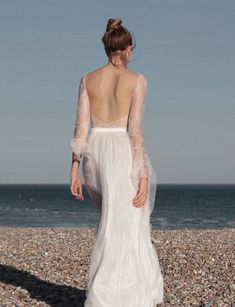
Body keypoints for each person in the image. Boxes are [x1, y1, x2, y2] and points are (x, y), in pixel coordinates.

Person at [69, 18, 164, 307]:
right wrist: (143, 173)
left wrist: (74, 169)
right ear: (127, 49)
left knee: (111, 223)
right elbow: (135, 133)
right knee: (126, 227)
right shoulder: (137, 81)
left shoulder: (88, 78)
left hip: (95, 155)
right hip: (121, 154)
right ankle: (114, 296)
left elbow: (80, 129)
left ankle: (115, 293)